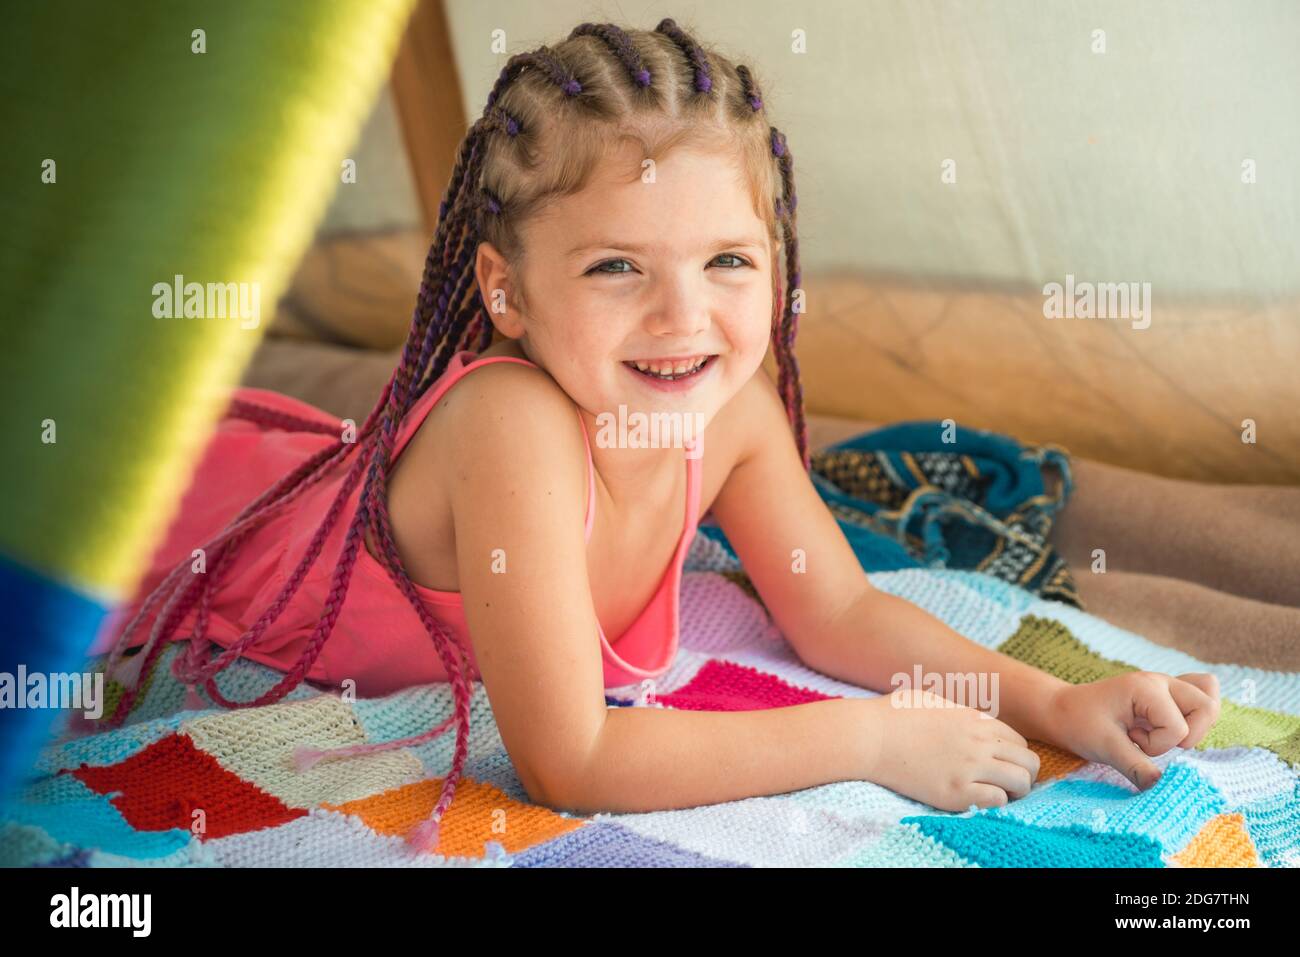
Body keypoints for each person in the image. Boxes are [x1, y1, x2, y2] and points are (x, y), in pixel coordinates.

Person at [94, 19, 1220, 852]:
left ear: (777, 261)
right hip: (148, 516)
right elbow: (568, 761)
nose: (684, 319)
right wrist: (871, 740)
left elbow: (835, 609)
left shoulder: (729, 414)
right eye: (616, 267)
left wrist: (1052, 702)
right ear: (507, 292)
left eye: (727, 261)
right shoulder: (512, 421)